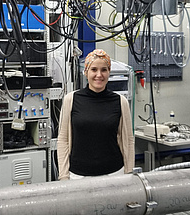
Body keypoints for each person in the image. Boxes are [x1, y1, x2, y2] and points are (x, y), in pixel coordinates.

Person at [57, 49, 135, 180]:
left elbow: (128, 141)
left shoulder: (120, 102)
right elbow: (63, 140)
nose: (99, 75)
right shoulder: (71, 99)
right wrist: (64, 176)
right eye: (94, 69)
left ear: (109, 72)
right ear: (86, 72)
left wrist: (129, 173)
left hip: (114, 174)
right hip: (78, 175)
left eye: (104, 70)